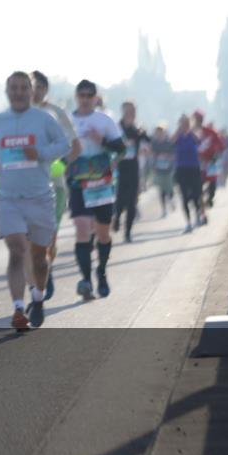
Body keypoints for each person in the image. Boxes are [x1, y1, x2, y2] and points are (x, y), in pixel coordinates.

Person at [0, 72, 70, 330]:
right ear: (7, 91)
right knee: (17, 249)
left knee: (39, 257)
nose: (18, 92)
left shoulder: (44, 119)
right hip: (8, 198)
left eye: (23, 88)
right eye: (13, 88)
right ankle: (19, 308)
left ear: (31, 91)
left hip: (40, 197)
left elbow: (64, 145)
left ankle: (38, 298)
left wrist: (40, 153)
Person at [66, 80, 125, 299]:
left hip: (102, 184)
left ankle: (101, 272)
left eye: (89, 95)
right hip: (78, 184)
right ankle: (85, 279)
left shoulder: (104, 120)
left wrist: (102, 141)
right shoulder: (68, 121)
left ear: (95, 97)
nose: (85, 98)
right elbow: (59, 150)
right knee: (82, 230)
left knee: (103, 234)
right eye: (81, 95)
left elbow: (121, 149)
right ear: (76, 97)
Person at [32, 70, 80, 298]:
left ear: (45, 89)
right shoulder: (16, 115)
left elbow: (74, 146)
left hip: (55, 184)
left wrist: (61, 162)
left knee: (49, 236)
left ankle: (46, 271)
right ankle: (37, 278)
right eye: (33, 86)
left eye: (40, 86)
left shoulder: (56, 113)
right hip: (26, 186)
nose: (36, 91)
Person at [113, 101, 149, 243]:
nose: (131, 113)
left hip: (134, 168)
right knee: (121, 200)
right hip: (120, 168)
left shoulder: (138, 129)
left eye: (133, 111)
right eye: (128, 111)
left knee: (132, 201)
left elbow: (147, 146)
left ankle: (127, 232)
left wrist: (145, 147)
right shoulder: (116, 128)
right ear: (123, 112)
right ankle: (116, 217)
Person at [174, 114, 205, 232]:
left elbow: (199, 141)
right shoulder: (178, 135)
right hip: (181, 169)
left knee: (197, 194)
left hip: (194, 168)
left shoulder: (193, 134)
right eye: (182, 123)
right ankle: (188, 222)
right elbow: (171, 141)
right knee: (184, 197)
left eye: (186, 123)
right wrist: (179, 129)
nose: (184, 125)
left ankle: (197, 214)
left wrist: (190, 130)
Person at [192, 110, 225, 208]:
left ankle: (210, 199)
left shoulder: (211, 132)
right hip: (196, 164)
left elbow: (221, 146)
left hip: (210, 163)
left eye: (200, 119)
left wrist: (215, 156)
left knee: (212, 184)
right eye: (196, 119)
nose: (198, 121)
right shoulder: (190, 133)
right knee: (197, 188)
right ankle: (200, 209)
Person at [150, 124, 177, 217]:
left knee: (169, 188)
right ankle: (164, 210)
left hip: (168, 169)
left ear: (164, 132)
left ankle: (171, 199)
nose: (159, 134)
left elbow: (174, 154)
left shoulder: (168, 142)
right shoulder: (154, 143)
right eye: (158, 132)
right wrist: (156, 157)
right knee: (161, 190)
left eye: (161, 132)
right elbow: (152, 154)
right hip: (159, 169)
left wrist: (167, 156)